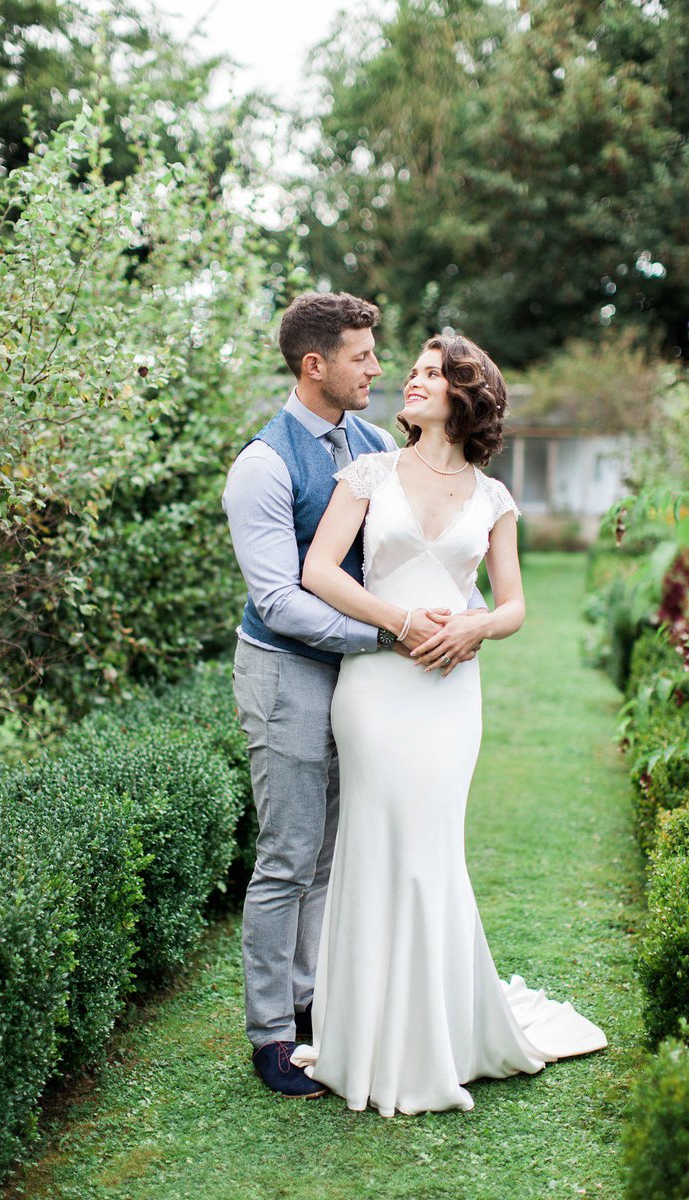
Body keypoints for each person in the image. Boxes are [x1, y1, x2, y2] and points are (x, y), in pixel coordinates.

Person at [293, 333, 607, 1116]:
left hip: (449, 699)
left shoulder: (494, 498)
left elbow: (515, 605)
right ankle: (363, 1038)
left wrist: (474, 629)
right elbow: (319, 571)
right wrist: (401, 622)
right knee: (376, 846)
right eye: (413, 370)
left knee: (432, 850)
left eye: (431, 373)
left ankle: (438, 1036)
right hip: (376, 688)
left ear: (464, 395)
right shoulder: (368, 473)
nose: (411, 379)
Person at [222, 292, 473, 1098]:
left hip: (367, 685)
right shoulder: (261, 467)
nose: (377, 368)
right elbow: (280, 600)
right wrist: (390, 633)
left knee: (336, 849)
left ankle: (312, 1002)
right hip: (287, 672)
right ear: (314, 365)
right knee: (289, 853)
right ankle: (269, 1034)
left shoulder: (369, 445)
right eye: (363, 356)